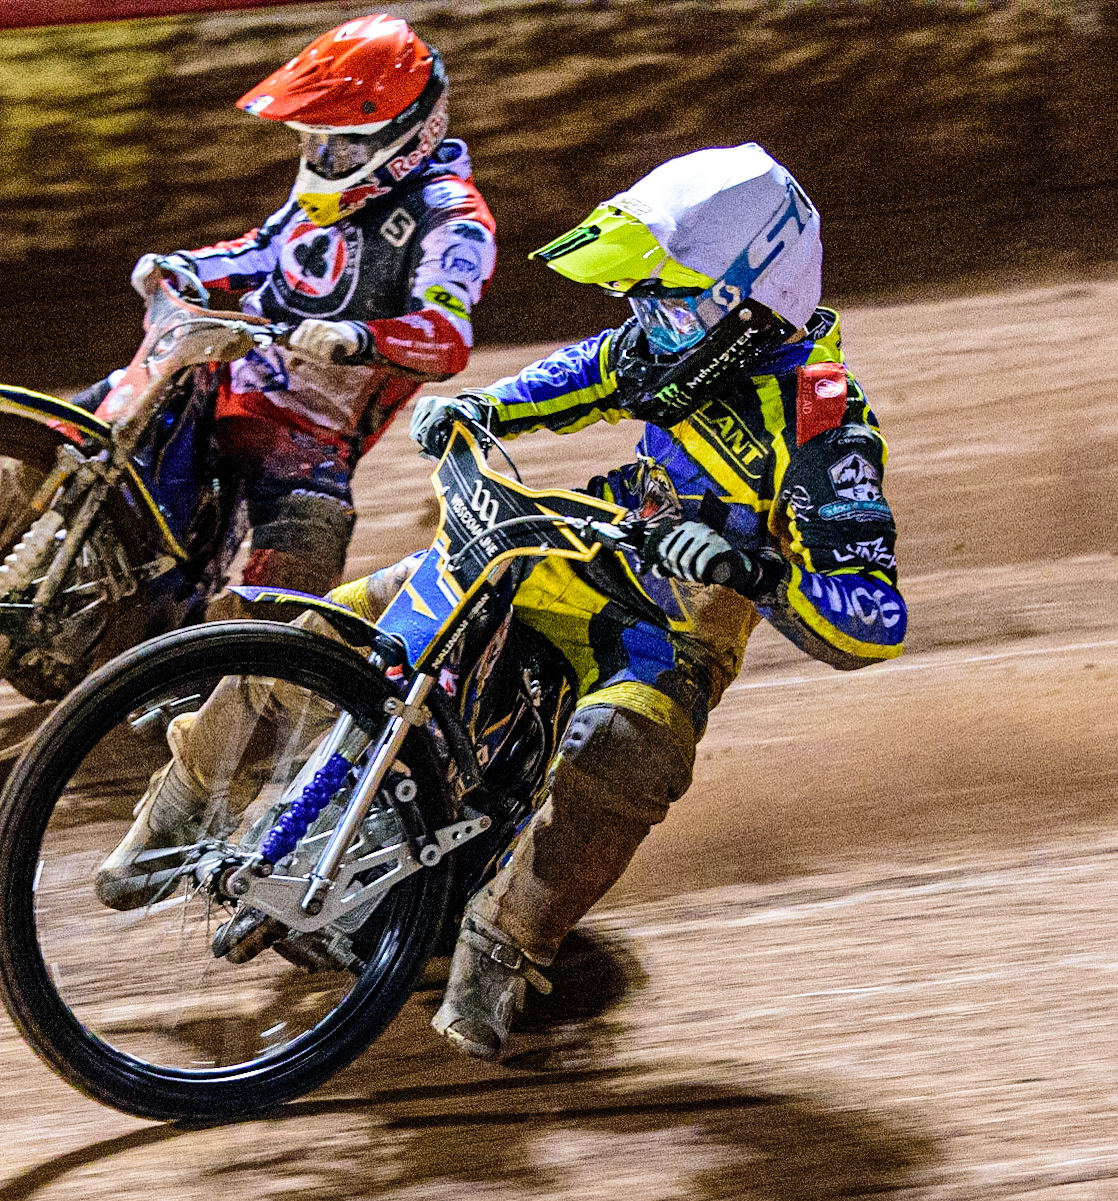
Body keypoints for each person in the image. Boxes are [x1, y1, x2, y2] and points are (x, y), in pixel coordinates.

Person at [383, 142, 906, 1058]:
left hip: (672, 632)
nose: (654, 327)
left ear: (757, 303)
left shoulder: (826, 423)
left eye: (677, 303)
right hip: (579, 547)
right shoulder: (672, 342)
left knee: (621, 745)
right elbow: (589, 366)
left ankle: (503, 950)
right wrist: (485, 408)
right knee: (360, 614)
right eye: (646, 301)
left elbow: (875, 618)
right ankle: (184, 800)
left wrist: (759, 573)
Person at [0, 12, 495, 652]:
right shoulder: (335, 188)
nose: (321, 156)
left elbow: (445, 335)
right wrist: (186, 266)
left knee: (295, 570)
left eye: (338, 143)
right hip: (216, 370)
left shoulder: (452, 220)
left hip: (309, 432)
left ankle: (228, 690)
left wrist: (358, 339)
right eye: (314, 139)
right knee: (64, 438)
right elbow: (262, 248)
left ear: (405, 135)